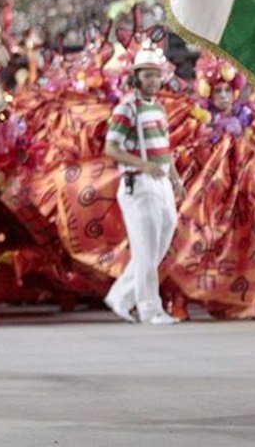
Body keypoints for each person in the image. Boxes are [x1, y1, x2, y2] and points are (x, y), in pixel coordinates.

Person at [103, 44, 185, 324]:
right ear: (136, 77)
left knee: (158, 246)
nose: (152, 80)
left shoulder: (158, 108)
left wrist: (175, 178)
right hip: (138, 184)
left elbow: (165, 147)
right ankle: (150, 309)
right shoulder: (127, 108)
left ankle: (120, 296)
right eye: (147, 75)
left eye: (156, 75)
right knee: (147, 250)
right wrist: (142, 165)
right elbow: (111, 148)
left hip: (161, 182)